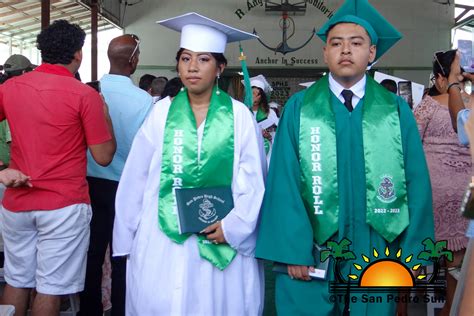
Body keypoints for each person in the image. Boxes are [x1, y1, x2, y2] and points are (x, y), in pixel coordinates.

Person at [255, 0, 434, 315]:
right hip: (315, 246)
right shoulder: (300, 108)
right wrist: (294, 251)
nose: (346, 50)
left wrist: (412, 255)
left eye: (356, 43)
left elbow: (416, 184)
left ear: (372, 53)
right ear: (325, 53)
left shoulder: (394, 111)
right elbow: (283, 181)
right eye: (336, 43)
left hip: (379, 245)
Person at [112, 12, 265, 315]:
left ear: (220, 67)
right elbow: (136, 178)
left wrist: (233, 228)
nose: (192, 67)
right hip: (163, 237)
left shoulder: (239, 117)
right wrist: (126, 236)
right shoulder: (160, 114)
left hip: (222, 235)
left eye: (204, 59)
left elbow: (255, 179)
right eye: (185, 59)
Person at [0, 20, 116, 316]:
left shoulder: (10, 87)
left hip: (16, 202)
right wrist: (105, 115)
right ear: (78, 53)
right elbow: (103, 156)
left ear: (42, 51)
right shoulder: (85, 96)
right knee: (50, 287)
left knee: (16, 279)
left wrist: (0, 170)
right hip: (63, 205)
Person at [79, 34, 153, 316]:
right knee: (122, 253)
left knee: (91, 253)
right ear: (133, 61)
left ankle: (89, 309)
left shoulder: (90, 91)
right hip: (125, 187)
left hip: (88, 183)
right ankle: (122, 309)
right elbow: (145, 151)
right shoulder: (143, 101)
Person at [413, 49, 471, 316]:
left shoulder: (427, 105)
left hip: (433, 189)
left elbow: (411, 144)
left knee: (424, 249)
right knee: (456, 262)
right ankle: (451, 304)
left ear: (440, 77)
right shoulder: (469, 104)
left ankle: (412, 303)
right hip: (466, 192)